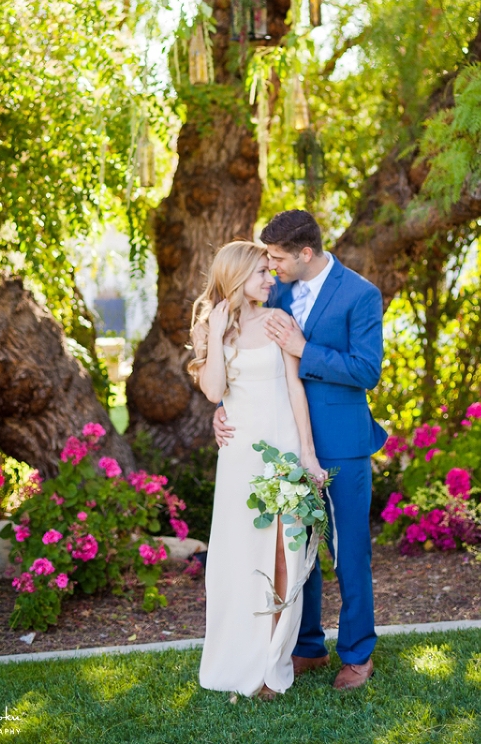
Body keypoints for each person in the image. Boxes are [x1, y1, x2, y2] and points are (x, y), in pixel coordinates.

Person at [214, 210, 386, 691]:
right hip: (282, 443)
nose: (270, 267)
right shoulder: (275, 291)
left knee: (346, 552)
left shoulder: (360, 295)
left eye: (277, 258)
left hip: (342, 444)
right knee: (293, 551)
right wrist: (224, 408)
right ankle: (306, 644)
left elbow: (366, 370)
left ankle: (357, 654)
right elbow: (243, 356)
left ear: (305, 253)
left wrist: (303, 347)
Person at [190, 240, 327, 699]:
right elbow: (213, 393)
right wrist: (214, 328)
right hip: (240, 457)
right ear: (236, 278)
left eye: (271, 271)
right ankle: (243, 658)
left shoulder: (279, 322)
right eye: (261, 274)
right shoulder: (216, 326)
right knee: (242, 559)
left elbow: (295, 390)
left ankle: (273, 664)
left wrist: (306, 454)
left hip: (283, 450)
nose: (271, 280)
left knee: (286, 556)